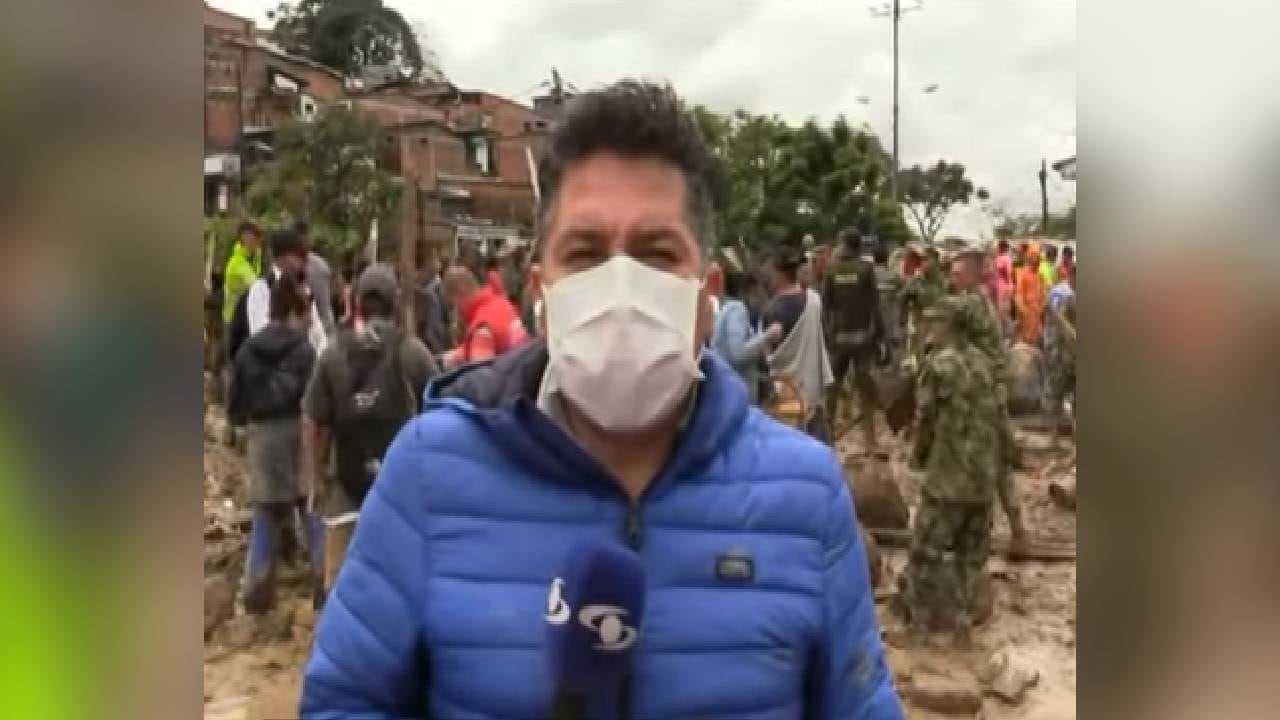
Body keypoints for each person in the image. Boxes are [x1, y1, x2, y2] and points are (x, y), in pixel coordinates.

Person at [302, 79, 902, 720]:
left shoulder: (805, 495)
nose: (621, 287)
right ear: (541, 291)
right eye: (585, 254)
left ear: (708, 295)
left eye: (656, 254)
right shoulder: (428, 472)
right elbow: (345, 701)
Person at [300, 263, 440, 605]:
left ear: (356, 302)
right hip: (402, 491)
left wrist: (314, 480)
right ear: (395, 302)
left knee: (340, 588)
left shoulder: (333, 353)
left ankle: (338, 648)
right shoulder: (413, 352)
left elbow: (313, 421)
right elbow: (442, 411)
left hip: (347, 488)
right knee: (402, 584)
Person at [898, 297, 1000, 645]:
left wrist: (917, 457)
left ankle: (917, 629)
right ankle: (963, 627)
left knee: (924, 552)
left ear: (947, 325)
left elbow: (925, 419)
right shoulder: (985, 364)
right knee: (970, 558)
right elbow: (998, 419)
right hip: (982, 478)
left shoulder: (938, 366)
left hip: (947, 478)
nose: (927, 328)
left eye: (932, 321)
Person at [226, 271, 322, 612]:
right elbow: (315, 402)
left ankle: (256, 594)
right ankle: (323, 584)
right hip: (299, 433)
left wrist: (239, 425)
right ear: (294, 311)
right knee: (310, 509)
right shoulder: (304, 352)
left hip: (263, 437)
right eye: (307, 311)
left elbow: (234, 400)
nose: (311, 318)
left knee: (266, 514)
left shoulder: (249, 350)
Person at [948, 252, 1030, 554]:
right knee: (997, 465)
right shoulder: (980, 300)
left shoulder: (971, 304)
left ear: (971, 275)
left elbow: (940, 315)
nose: (951, 279)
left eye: (957, 274)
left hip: (983, 398)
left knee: (988, 465)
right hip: (986, 393)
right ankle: (1016, 531)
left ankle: (1001, 533)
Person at [822, 228, 884, 453]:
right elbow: (875, 306)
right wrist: (879, 336)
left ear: (845, 244)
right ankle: (870, 441)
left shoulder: (831, 270)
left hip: (838, 338)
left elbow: (825, 306)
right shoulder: (866, 270)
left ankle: (827, 436)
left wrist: (827, 335)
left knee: (832, 388)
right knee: (864, 389)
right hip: (863, 338)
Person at [763, 249, 835, 441]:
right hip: (812, 386)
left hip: (786, 391)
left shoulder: (774, 309)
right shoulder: (814, 300)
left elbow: (771, 352)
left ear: (779, 274)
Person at [244, 228, 328, 353]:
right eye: (300, 256)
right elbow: (261, 335)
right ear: (282, 257)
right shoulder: (261, 290)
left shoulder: (304, 289)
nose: (305, 261)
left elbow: (318, 336)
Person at [440, 264, 529, 367]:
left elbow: (482, 379)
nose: (456, 313)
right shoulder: (502, 303)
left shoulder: (482, 329)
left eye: (453, 305)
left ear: (458, 295)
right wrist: (458, 354)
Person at [710, 269, 778, 402]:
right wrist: (768, 336)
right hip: (738, 393)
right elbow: (738, 353)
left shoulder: (726, 310)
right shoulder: (736, 309)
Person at [1044, 267, 1076, 450]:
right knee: (1055, 394)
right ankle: (1053, 437)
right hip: (1061, 353)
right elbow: (1053, 319)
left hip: (1072, 355)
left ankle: (1071, 434)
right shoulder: (1061, 293)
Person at [900, 246, 947, 371]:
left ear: (936, 261)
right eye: (922, 260)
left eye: (926, 259)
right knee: (921, 364)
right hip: (921, 328)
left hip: (941, 329)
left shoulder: (945, 282)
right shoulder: (916, 281)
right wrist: (904, 319)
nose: (923, 263)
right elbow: (902, 299)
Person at [295, 221, 336, 339]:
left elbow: (323, 305)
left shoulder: (317, 267)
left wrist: (327, 335)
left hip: (318, 331)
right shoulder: (285, 264)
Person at [413, 257, 452, 355]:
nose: (436, 278)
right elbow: (432, 331)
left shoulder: (434, 293)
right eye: (432, 273)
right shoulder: (428, 296)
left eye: (436, 274)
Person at [873, 243, 904, 366]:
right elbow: (902, 288)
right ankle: (888, 361)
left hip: (872, 311)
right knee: (888, 336)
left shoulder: (869, 274)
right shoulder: (893, 275)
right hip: (889, 311)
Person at [1014, 242, 1047, 345]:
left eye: (1039, 258)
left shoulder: (1039, 275)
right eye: (1035, 257)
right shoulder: (1022, 273)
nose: (1038, 261)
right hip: (1026, 314)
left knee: (1034, 340)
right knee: (1025, 341)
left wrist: (1042, 307)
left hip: (1036, 314)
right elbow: (1018, 295)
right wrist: (1022, 311)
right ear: (1030, 257)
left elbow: (1043, 293)